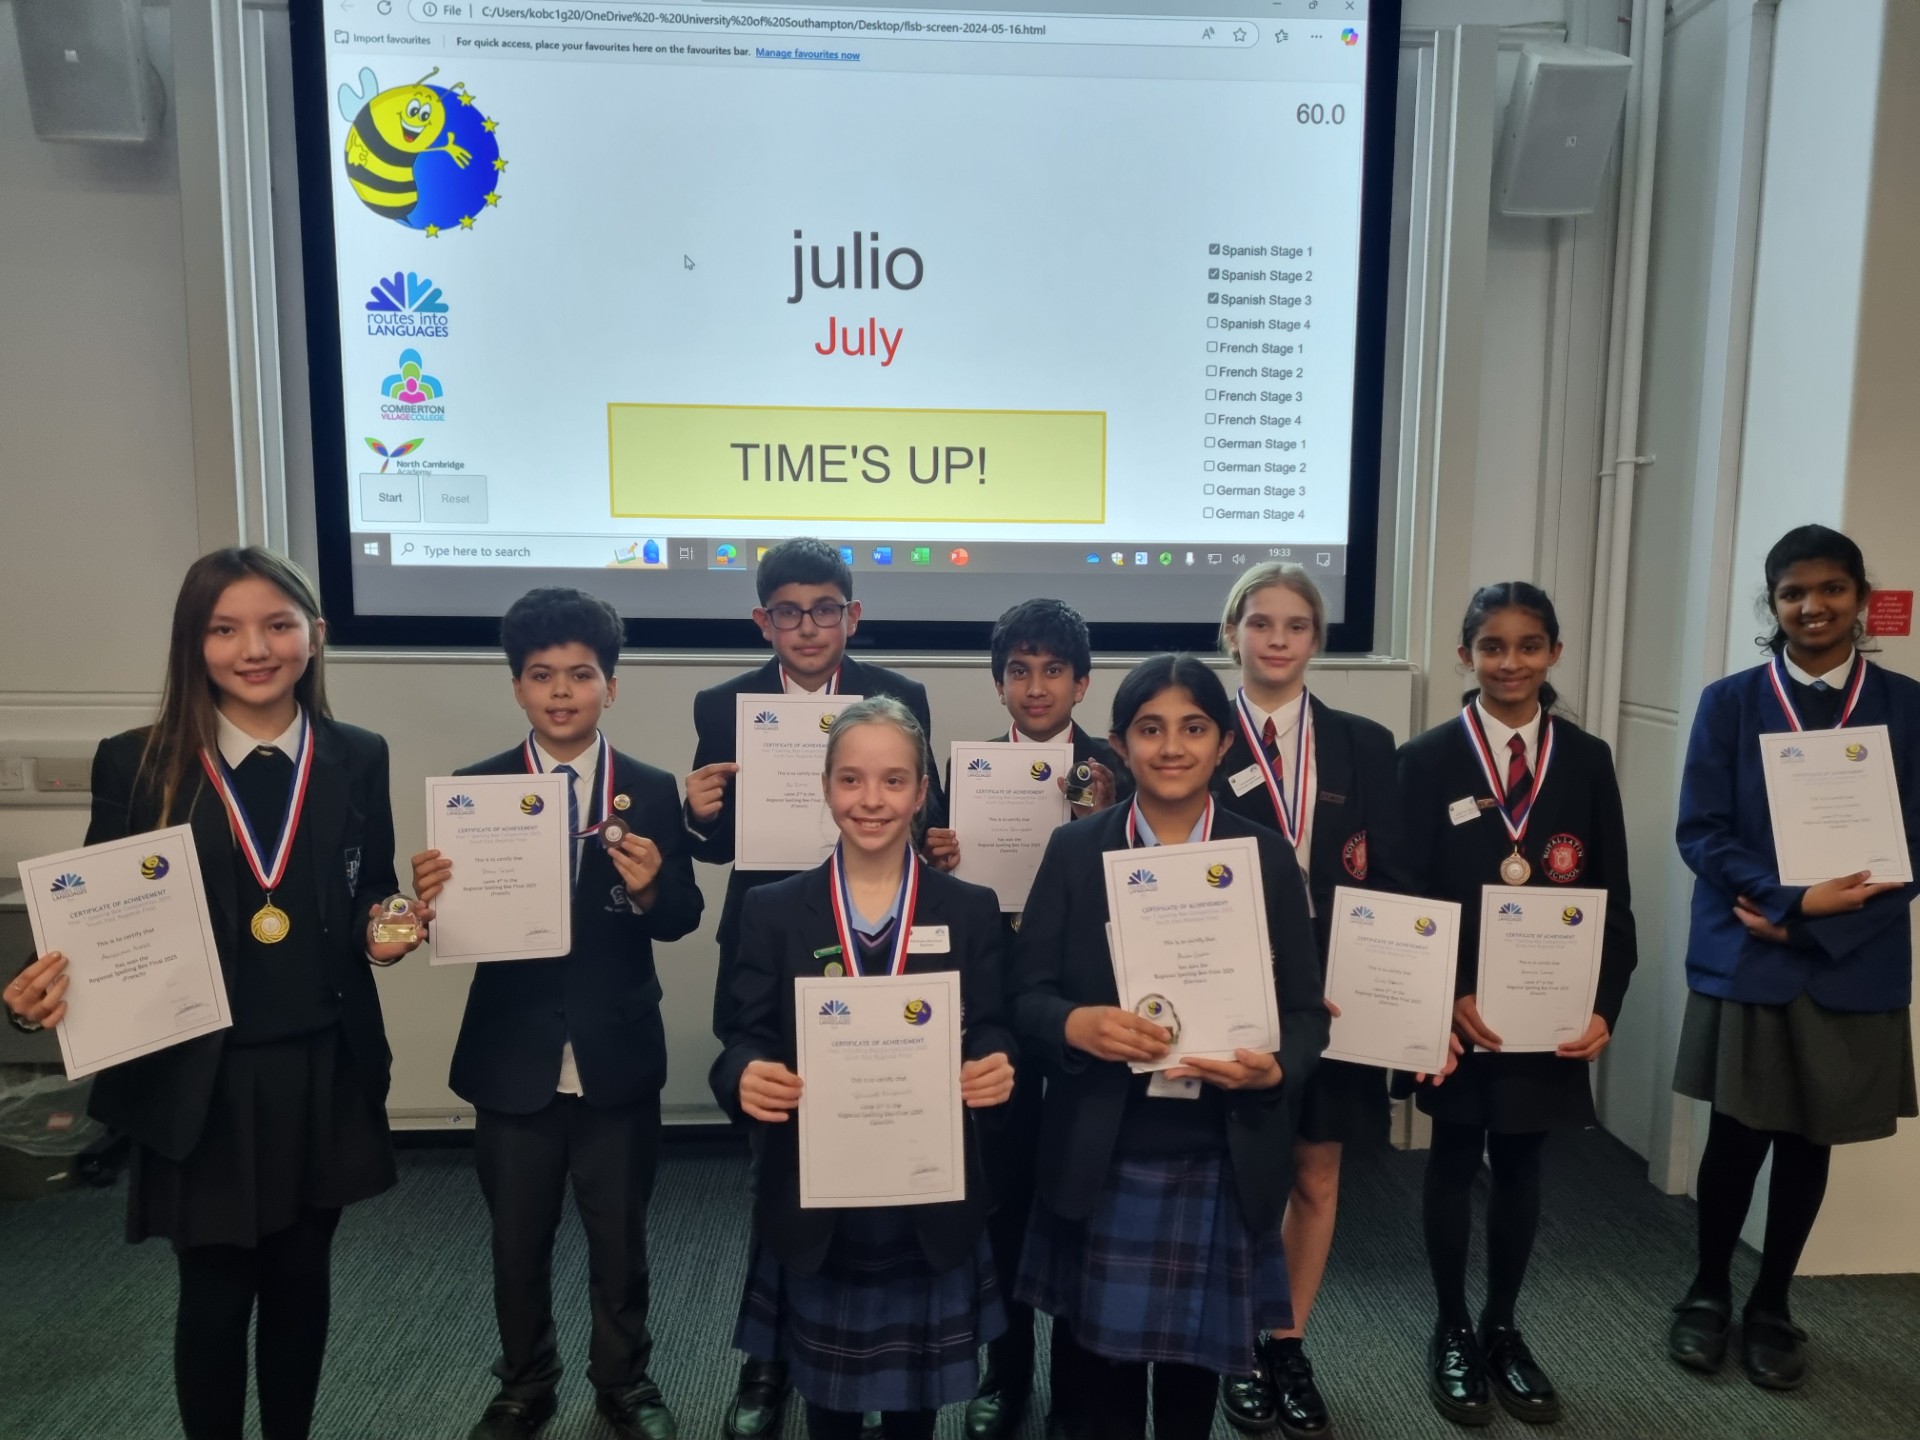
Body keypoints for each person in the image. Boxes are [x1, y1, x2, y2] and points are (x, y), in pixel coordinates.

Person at [4, 547, 425, 1440]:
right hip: (203, 1076)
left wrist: (390, 928)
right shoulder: (141, 762)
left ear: (316, 634)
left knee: (304, 1281)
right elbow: (93, 916)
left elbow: (367, 892)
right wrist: (42, 989)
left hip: (322, 1063)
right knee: (217, 1290)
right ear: (193, 645)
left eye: (278, 625)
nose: (254, 648)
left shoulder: (357, 754)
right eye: (225, 629)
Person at [409, 588, 703, 1440]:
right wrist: (432, 902)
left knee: (620, 1238)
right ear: (517, 689)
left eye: (582, 674)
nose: (562, 691)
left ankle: (625, 1382)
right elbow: (449, 929)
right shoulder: (472, 793)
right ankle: (525, 1382)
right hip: (513, 1057)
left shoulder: (647, 790)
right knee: (517, 1239)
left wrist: (652, 886)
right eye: (542, 676)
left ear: (612, 686)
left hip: (615, 1053)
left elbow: (682, 918)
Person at [1008, 654, 1326, 1440]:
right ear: (1119, 743)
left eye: (1193, 728)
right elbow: (1025, 998)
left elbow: (1308, 1015)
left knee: (1189, 1395)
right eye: (1150, 728)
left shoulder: (1267, 858)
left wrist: (1277, 1066)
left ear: (1224, 744)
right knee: (1090, 1391)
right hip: (1104, 1150)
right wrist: (1076, 1025)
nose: (1172, 746)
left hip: (1220, 1150)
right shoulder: (1077, 852)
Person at [683, 537, 944, 1437]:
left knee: (886, 1123)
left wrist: (941, 839)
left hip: (880, 937)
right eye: (787, 611)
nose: (807, 626)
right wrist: (696, 815)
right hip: (773, 938)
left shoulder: (898, 697)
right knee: (779, 1144)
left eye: (825, 608)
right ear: (763, 620)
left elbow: (927, 811)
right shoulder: (723, 704)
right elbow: (718, 847)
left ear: (851, 615)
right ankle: (770, 1361)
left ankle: (888, 1341)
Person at [710, 697, 1016, 1440]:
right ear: (824, 787)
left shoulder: (971, 908)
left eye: (892, 781)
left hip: (928, 1192)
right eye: (850, 780)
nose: (871, 800)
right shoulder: (773, 910)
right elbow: (740, 1036)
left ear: (920, 793)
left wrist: (994, 1062)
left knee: (917, 1397)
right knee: (829, 1398)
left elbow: (998, 1025)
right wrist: (745, 1076)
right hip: (819, 1193)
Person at [1666, 524, 1919, 1391]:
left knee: (1815, 1142)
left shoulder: (1909, 706)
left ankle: (1774, 1303)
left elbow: (1913, 846)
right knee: (1736, 1135)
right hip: (1752, 954)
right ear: (1772, 605)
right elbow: (1701, 832)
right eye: (1792, 593)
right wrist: (1788, 901)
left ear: (1858, 597)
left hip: (1854, 961)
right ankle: (1706, 1292)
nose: (1813, 606)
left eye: (1832, 589)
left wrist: (1815, 925)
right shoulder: (1731, 702)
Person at [1395, 581, 1636, 1427]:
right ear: (1465, 654)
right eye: (1491, 646)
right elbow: (1405, 892)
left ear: (1554, 655)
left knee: (1525, 1162)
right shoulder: (1424, 758)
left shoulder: (1588, 757)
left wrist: (1603, 1004)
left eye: (1529, 646)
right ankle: (1451, 1327)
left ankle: (1503, 1325)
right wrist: (1447, 992)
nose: (1510, 662)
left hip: (1549, 1011)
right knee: (1454, 1158)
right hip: (1463, 1012)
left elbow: (1614, 896)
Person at [1209, 564, 1422, 1439]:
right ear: (1233, 633)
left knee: (1317, 1169)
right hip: (1227, 985)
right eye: (1260, 623)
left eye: (1297, 625)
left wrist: (1407, 997)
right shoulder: (1196, 734)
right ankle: (1225, 1339)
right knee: (1227, 1172)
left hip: (1334, 995)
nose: (1278, 640)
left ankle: (1285, 1341)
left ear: (1317, 639)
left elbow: (1399, 881)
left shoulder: (1365, 743)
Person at [921, 597, 1121, 1440]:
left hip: (1083, 1008)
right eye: (1018, 671)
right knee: (1000, 1194)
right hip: (995, 1003)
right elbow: (918, 895)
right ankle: (1005, 1370)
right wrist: (941, 862)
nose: (1034, 687)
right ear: (998, 683)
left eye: (1051, 671)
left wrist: (1104, 824)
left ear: (1081, 682)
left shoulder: (1123, 766)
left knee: (1079, 1189)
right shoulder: (957, 771)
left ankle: (1080, 1364)